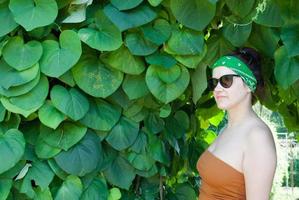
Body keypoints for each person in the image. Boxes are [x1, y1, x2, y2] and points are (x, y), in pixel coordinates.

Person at [197, 47, 277, 200]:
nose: (217, 89)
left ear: (248, 85)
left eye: (226, 80)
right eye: (214, 82)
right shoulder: (226, 129)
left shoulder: (257, 136)